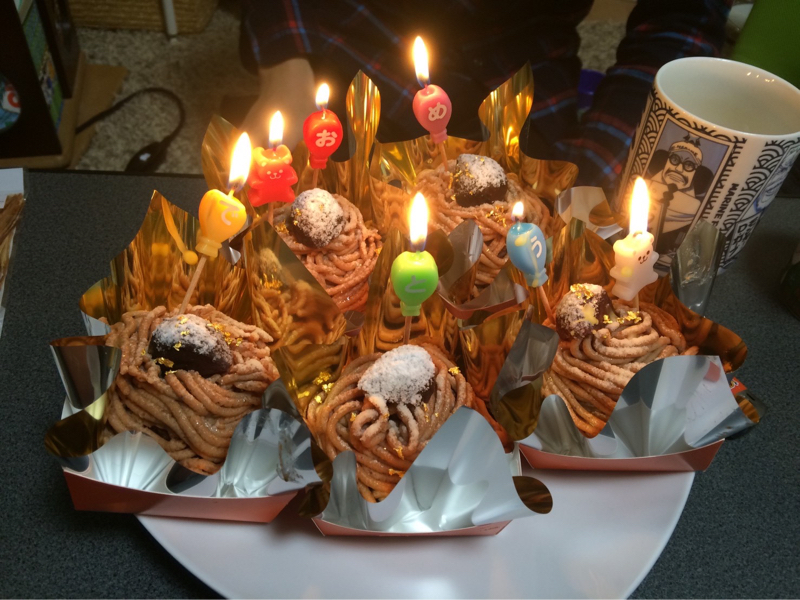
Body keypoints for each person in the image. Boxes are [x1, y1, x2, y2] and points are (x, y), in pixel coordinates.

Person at [238, 0, 733, 196]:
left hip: (524, 58)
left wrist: (597, 163)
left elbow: (681, 21)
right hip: (358, 31)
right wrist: (286, 66)